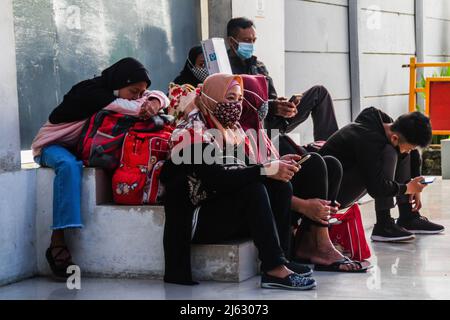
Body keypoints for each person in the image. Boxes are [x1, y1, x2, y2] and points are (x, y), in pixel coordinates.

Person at [160, 73, 317, 290]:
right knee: (254, 189)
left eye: (239, 99)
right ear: (212, 97)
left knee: (279, 186)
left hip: (220, 209)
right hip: (196, 219)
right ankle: (273, 269)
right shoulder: (191, 132)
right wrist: (265, 170)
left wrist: (275, 163)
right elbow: (217, 180)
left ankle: (282, 259)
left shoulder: (230, 129)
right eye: (230, 98)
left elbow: (246, 165)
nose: (236, 105)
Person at [31, 58, 169, 280]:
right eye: (133, 90)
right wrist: (151, 102)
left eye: (140, 92)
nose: (137, 96)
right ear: (120, 82)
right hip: (51, 147)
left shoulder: (116, 91)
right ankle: (58, 241)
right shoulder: (91, 92)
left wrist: (154, 98)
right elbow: (136, 109)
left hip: (79, 147)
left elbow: (159, 96)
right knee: (68, 166)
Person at [241, 74, 369, 272]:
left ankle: (315, 240)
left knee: (329, 164)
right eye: (258, 103)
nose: (263, 107)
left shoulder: (260, 132)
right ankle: (317, 245)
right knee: (313, 163)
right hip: (256, 204)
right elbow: (247, 181)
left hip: (273, 178)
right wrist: (304, 206)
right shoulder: (228, 135)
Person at [319, 107, 445, 242]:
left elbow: (412, 150)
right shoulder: (368, 140)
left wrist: (415, 183)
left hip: (347, 180)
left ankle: (408, 217)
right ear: (395, 137)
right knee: (390, 152)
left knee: (402, 152)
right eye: (410, 147)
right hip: (330, 196)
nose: (410, 151)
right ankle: (383, 225)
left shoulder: (386, 124)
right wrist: (407, 188)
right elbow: (376, 188)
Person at [226, 17, 339, 141]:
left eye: (254, 40)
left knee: (319, 93)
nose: (251, 45)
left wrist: (285, 105)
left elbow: (272, 98)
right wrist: (271, 106)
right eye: (247, 41)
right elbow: (232, 105)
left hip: (273, 121)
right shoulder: (224, 68)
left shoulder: (259, 66)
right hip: (251, 127)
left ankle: (331, 147)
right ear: (232, 41)